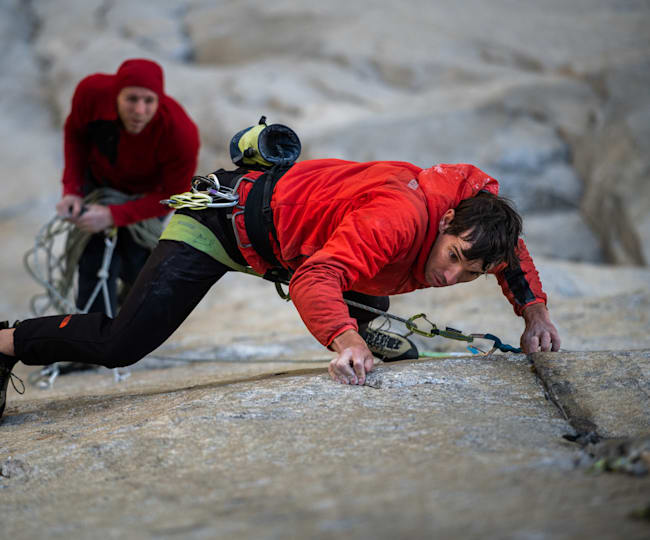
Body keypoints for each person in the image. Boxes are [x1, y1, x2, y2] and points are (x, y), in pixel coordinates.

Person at [0, 158, 561, 420]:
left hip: (282, 245)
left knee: (373, 297)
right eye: (455, 258)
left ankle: (363, 324)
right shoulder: (400, 219)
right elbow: (318, 277)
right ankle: (7, 341)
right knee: (122, 343)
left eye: (468, 273)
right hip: (223, 224)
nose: (450, 276)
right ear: (444, 224)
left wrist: (534, 315)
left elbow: (513, 259)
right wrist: (343, 337)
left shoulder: (477, 220)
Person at [54, 58, 200, 316]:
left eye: (149, 101)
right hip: (99, 182)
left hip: (149, 195)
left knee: (137, 265)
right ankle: (90, 343)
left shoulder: (180, 133)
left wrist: (114, 215)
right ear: (116, 95)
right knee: (93, 260)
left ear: (160, 99)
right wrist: (72, 190)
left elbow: (175, 194)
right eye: (131, 99)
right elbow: (75, 133)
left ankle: (127, 315)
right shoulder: (91, 92)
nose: (140, 111)